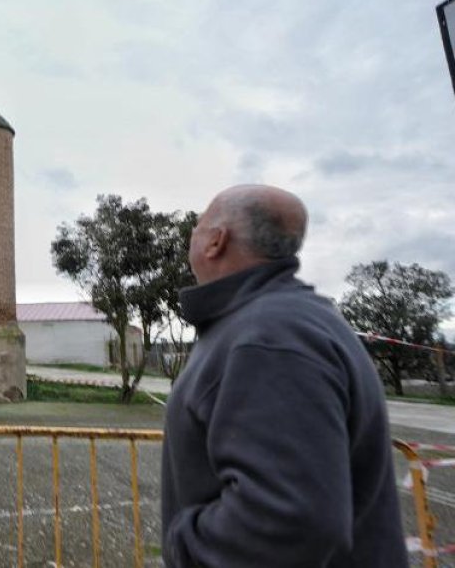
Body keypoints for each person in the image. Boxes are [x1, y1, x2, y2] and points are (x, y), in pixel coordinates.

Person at [161, 184, 407, 567]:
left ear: (215, 241)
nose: (193, 233)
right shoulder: (272, 321)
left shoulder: (269, 339)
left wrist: (183, 547)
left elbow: (287, 520)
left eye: (198, 224)